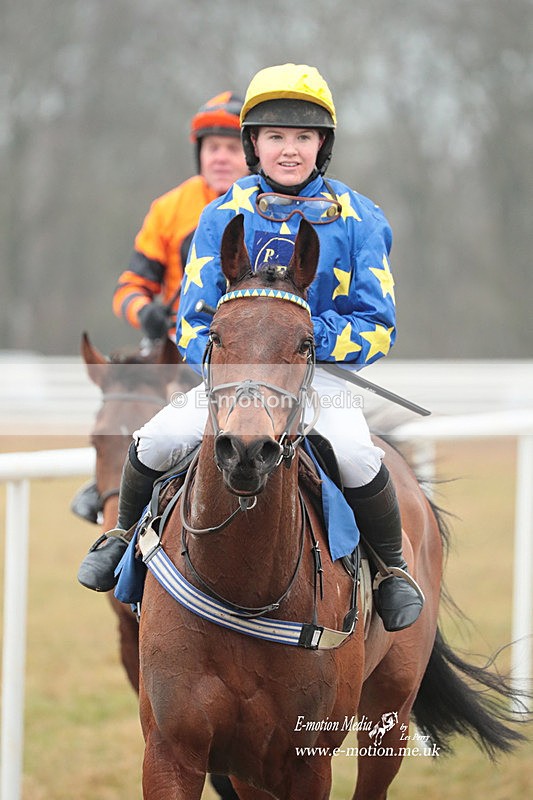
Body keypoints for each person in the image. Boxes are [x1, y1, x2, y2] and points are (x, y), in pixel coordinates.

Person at [78, 64, 424, 633]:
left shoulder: (362, 218)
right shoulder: (218, 217)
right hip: (231, 382)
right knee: (154, 437)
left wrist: (303, 344)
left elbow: (379, 325)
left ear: (322, 146)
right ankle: (119, 537)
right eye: (275, 137)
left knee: (359, 454)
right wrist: (234, 362)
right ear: (254, 145)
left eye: (303, 138)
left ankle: (391, 570)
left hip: (319, 377)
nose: (289, 150)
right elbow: (191, 322)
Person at [71, 92, 248, 524]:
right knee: (121, 405)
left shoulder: (264, 207)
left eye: (232, 148)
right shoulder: (168, 210)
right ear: (199, 153)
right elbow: (130, 288)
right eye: (212, 147)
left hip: (236, 352)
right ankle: (111, 497)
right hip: (171, 348)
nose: (221, 158)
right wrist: (143, 312)